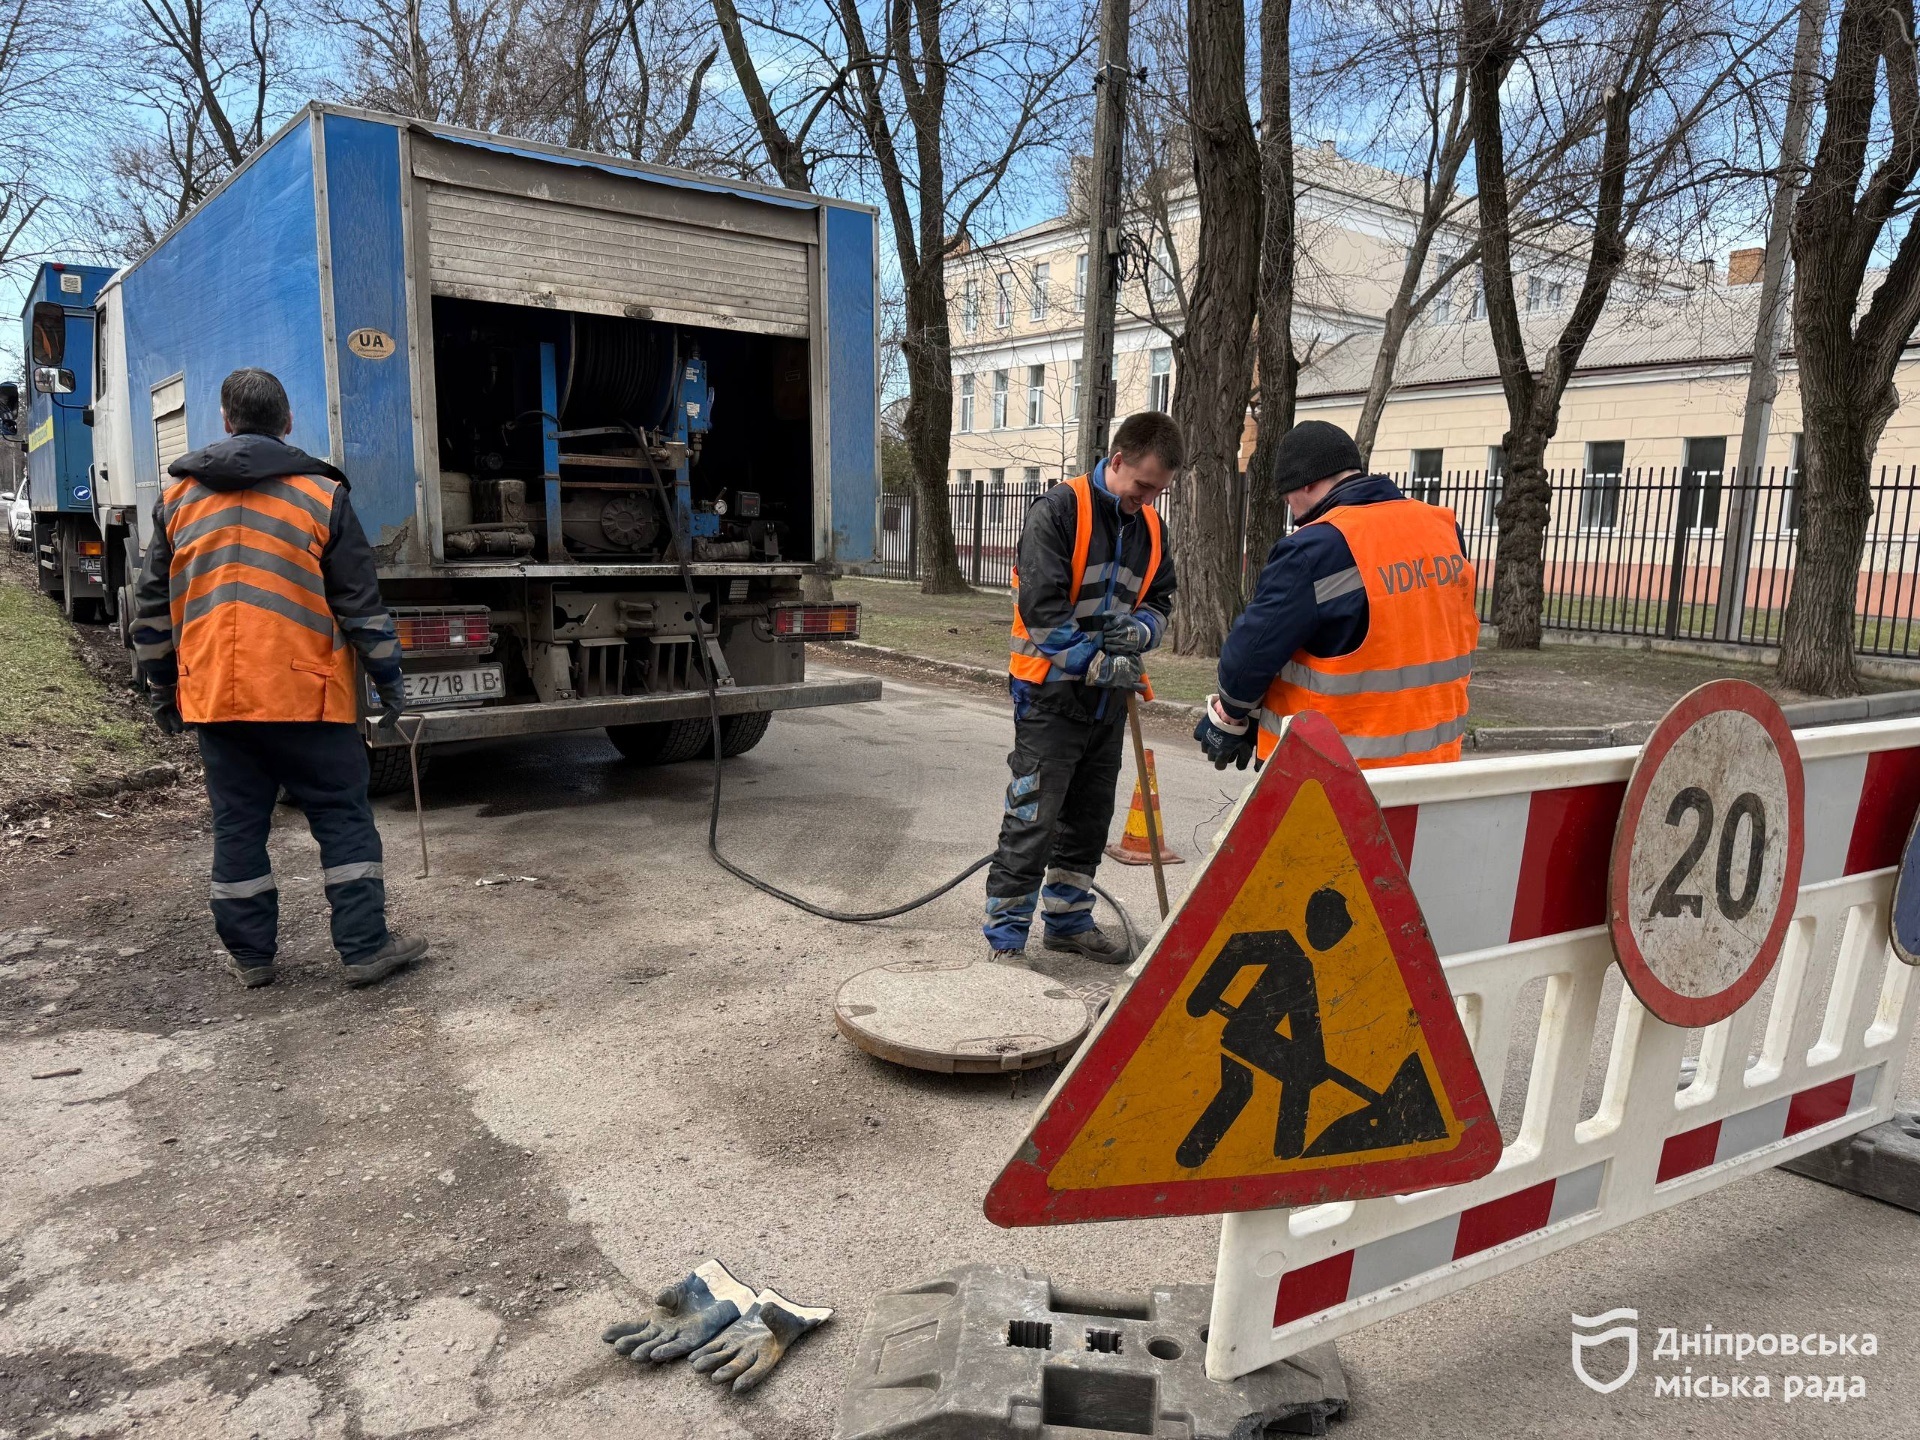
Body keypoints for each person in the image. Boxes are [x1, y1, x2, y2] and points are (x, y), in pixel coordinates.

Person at [131, 368, 426, 990]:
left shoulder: (178, 500)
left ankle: (253, 959)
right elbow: (360, 605)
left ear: (227, 421)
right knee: (343, 818)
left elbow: (152, 607)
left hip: (216, 698)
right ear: (288, 423)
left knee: (238, 825)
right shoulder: (322, 496)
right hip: (307, 696)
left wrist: (161, 687)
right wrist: (391, 682)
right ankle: (365, 948)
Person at [984, 411, 1182, 964]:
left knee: (1090, 817)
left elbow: (1160, 601)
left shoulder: (1152, 529)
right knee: (1034, 814)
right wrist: (1096, 663)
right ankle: (1006, 939)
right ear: (1116, 460)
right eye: (1142, 485)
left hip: (1106, 703)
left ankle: (1068, 921)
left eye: (1157, 491)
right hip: (1049, 691)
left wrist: (1141, 629)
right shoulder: (1058, 511)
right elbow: (1041, 608)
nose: (1146, 499)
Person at [1195, 419, 1477, 772]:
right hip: (1433, 764)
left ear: (1309, 482)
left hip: (1332, 774)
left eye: (1289, 498)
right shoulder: (1443, 529)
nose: (1294, 515)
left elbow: (1250, 655)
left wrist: (1231, 714)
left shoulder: (1312, 549)